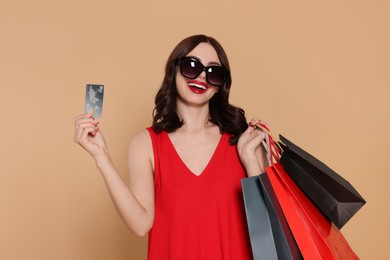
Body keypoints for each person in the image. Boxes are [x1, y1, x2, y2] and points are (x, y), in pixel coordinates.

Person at [74, 34, 268, 259]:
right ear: (173, 70)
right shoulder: (145, 144)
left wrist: (250, 159)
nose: (202, 76)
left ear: (220, 84)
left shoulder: (244, 141)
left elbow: (267, 228)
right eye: (191, 66)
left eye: (213, 72)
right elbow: (141, 224)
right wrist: (102, 157)